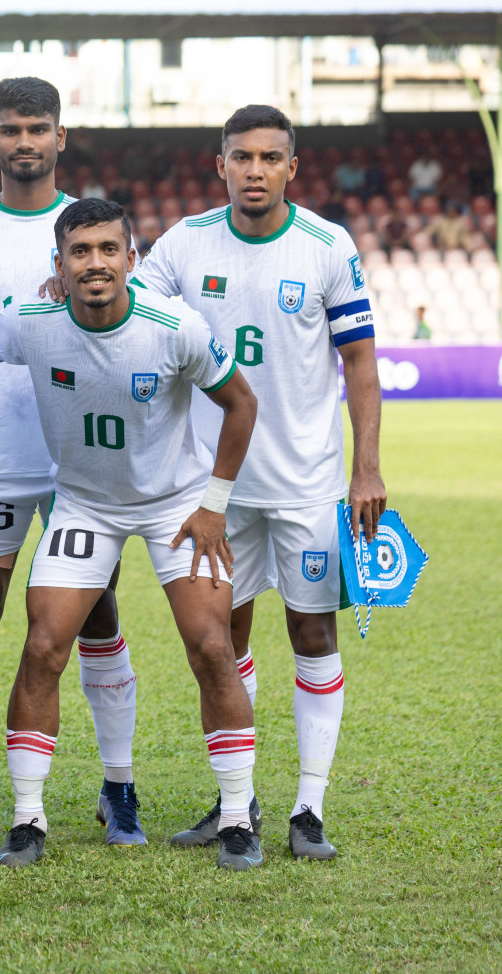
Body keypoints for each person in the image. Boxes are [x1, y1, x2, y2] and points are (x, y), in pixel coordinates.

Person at [0, 198, 262, 871]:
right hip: (84, 505)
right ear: (60, 265)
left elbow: (240, 403)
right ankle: (27, 819)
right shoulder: (30, 322)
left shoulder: (174, 327)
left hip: (176, 505)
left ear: (132, 260)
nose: (95, 262)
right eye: (81, 252)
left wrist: (214, 505)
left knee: (212, 646)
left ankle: (236, 818)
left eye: (109, 249)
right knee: (44, 644)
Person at [131, 105, 384, 859]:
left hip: (307, 483)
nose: (254, 170)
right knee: (220, 639)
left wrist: (366, 466)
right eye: (241, 157)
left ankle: (310, 806)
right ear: (220, 165)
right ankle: (234, 799)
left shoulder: (326, 246)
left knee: (312, 631)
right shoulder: (183, 244)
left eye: (270, 158)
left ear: (291, 168)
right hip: (214, 489)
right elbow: (128, 310)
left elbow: (362, 364)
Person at [0, 76, 141, 846]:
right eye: (11, 128)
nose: (24, 141)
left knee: (98, 617)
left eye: (37, 128)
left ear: (60, 136)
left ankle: (119, 786)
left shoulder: (91, 228)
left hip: (81, 464)